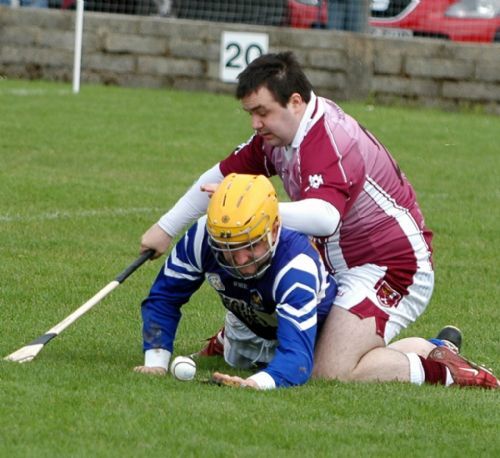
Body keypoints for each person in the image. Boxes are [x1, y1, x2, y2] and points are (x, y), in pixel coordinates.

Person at [139, 52, 498, 389]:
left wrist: (256, 210)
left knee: (331, 370)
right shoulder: (278, 135)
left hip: (390, 266)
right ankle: (431, 349)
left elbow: (325, 218)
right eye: (250, 113)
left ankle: (450, 373)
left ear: (295, 101)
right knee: (311, 342)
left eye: (262, 112)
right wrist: (165, 228)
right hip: (335, 261)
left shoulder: (331, 138)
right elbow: (219, 177)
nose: (255, 123)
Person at [134, 173, 338, 389]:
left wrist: (254, 383)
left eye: (252, 245)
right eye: (229, 247)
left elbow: (297, 359)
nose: (240, 260)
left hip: (312, 333)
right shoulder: (203, 236)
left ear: (274, 229)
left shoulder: (296, 266)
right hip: (251, 321)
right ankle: (225, 342)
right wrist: (155, 363)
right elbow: (165, 297)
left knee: (325, 372)